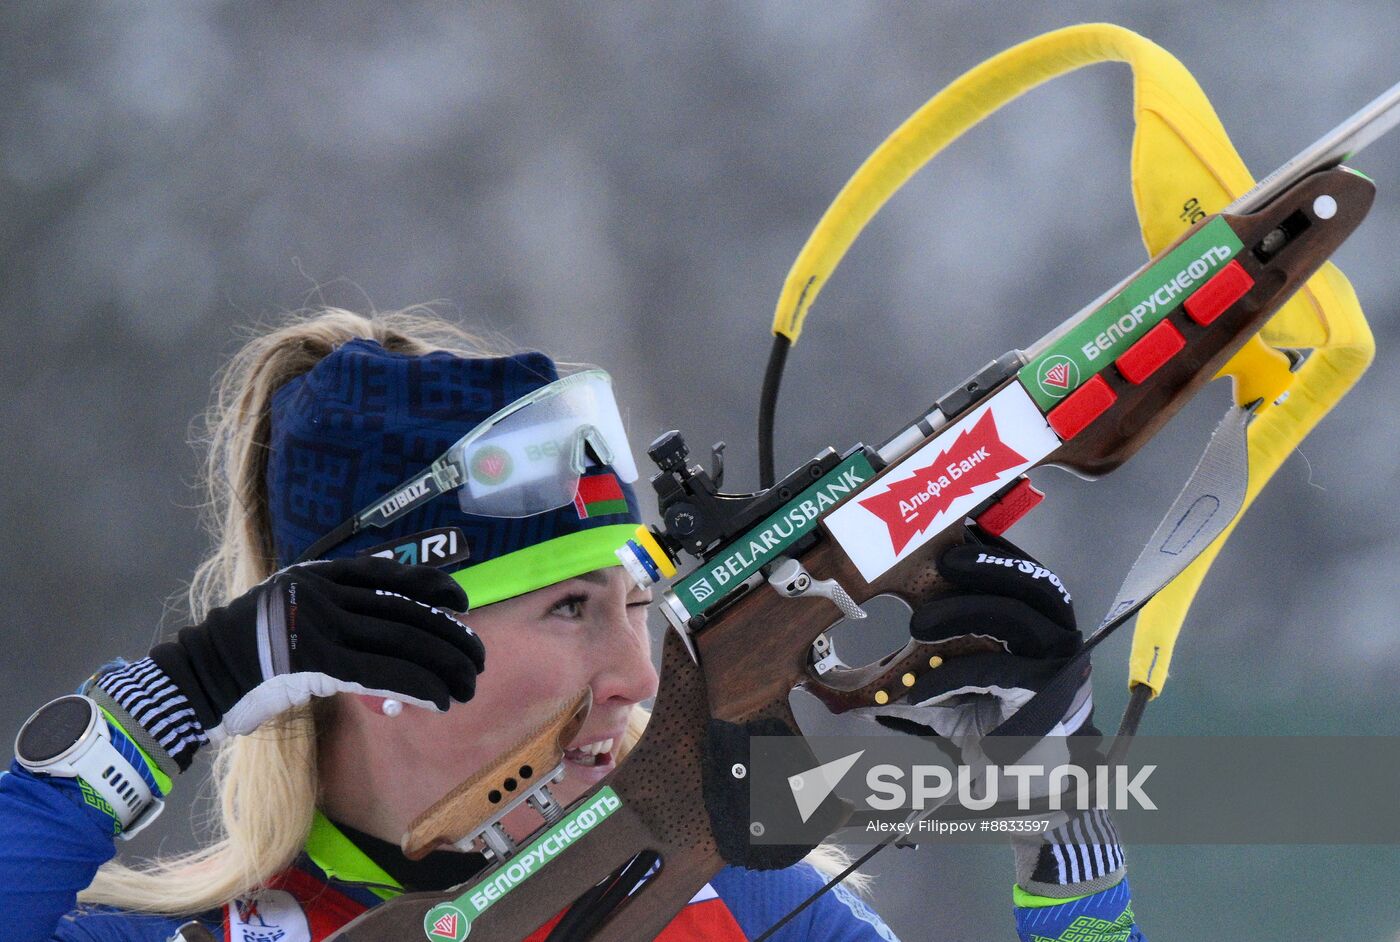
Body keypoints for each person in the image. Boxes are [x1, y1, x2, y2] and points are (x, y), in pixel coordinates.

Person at [0, 308, 1139, 941]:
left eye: (637, 605)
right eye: (568, 607)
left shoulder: (731, 899)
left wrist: (1057, 821)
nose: (632, 675)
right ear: (363, 652)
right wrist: (184, 692)